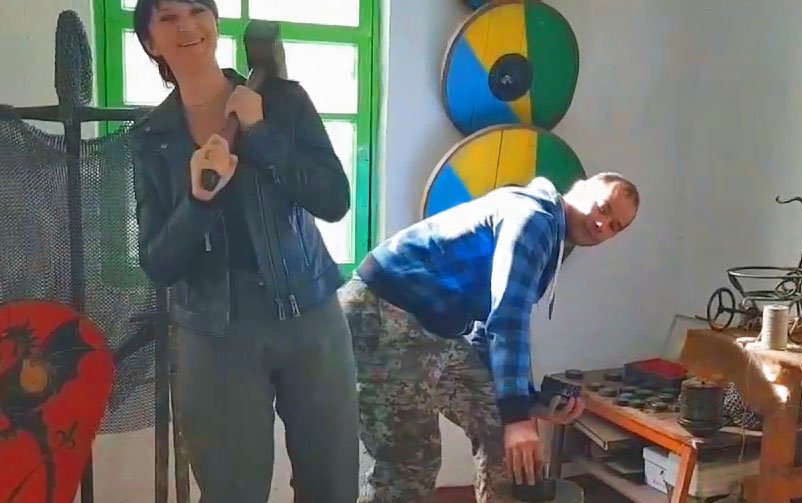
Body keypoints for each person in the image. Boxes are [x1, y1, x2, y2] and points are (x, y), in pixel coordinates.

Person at [129, 1, 358, 501]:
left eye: (197, 9)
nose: (187, 25)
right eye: (167, 18)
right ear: (150, 43)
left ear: (215, 22)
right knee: (231, 491)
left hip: (309, 312)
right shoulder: (151, 139)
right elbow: (158, 263)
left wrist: (261, 134)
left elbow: (334, 200)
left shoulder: (284, 103)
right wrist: (198, 201)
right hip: (215, 332)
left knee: (332, 484)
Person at [339, 173, 640, 502]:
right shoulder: (535, 219)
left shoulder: (550, 233)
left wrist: (528, 403)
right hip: (386, 311)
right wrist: (517, 416)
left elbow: (488, 329)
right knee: (409, 465)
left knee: (504, 431)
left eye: (615, 226)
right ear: (579, 188)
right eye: (602, 208)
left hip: (433, 329)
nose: (602, 224)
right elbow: (508, 316)